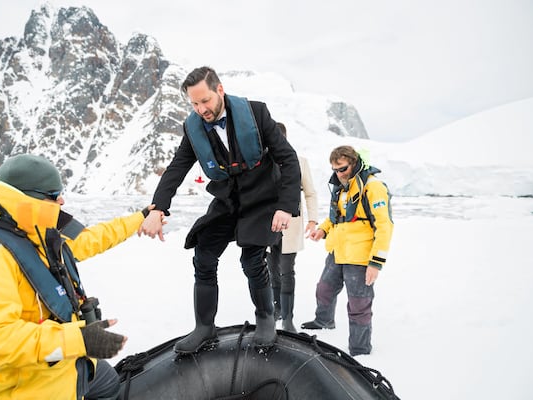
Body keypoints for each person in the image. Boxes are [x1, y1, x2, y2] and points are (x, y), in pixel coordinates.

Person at [0, 154, 156, 400]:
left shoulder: (39, 237)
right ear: (29, 200)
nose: (62, 201)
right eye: (54, 196)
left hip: (66, 365)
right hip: (29, 387)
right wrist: (80, 340)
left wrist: (139, 218)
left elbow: (91, 239)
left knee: (108, 383)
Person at [139, 66, 301, 353]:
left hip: (262, 198)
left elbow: (288, 159)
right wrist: (158, 208)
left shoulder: (256, 113)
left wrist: (286, 207)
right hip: (228, 200)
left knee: (252, 260)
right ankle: (204, 327)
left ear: (220, 90)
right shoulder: (193, 128)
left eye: (206, 101)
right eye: (194, 104)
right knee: (203, 254)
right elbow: (177, 168)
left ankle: (265, 318)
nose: (202, 109)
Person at [301, 145, 393, 357]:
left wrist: (376, 263)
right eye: (334, 170)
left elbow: (384, 226)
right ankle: (324, 320)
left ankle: (360, 350)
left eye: (342, 169)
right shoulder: (343, 187)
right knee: (324, 288)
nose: (338, 174)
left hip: (360, 257)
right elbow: (336, 216)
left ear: (354, 163)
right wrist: (323, 230)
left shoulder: (373, 187)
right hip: (338, 250)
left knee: (359, 304)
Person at [266, 122, 318, 332]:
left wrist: (312, 220)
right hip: (267, 227)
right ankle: (276, 310)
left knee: (286, 270)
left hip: (291, 225)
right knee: (271, 269)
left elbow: (310, 193)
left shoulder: (299, 161)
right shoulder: (262, 161)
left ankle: (288, 318)